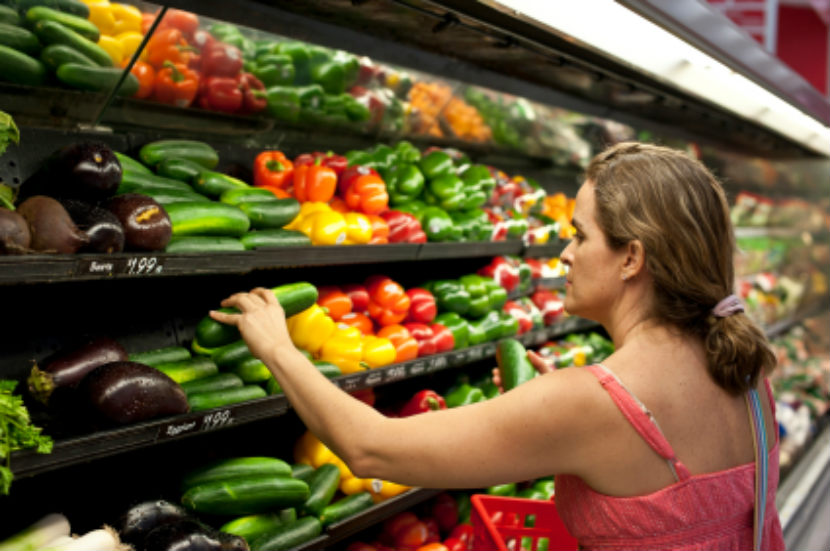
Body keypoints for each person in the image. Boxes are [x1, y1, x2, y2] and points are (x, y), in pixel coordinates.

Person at [210, 142, 785, 550]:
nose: (563, 254)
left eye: (581, 236)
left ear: (632, 258)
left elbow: (370, 449)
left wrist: (278, 347)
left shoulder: (594, 400)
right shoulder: (747, 369)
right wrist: (542, 413)